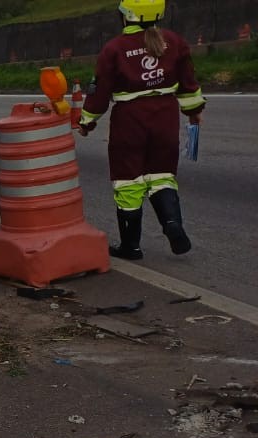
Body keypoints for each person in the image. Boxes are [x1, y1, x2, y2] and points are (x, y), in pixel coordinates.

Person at [78, 0, 205, 260]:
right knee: (161, 176)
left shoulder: (114, 49)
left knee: (128, 181)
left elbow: (99, 93)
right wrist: (193, 113)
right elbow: (189, 84)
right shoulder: (174, 41)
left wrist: (87, 122)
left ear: (126, 16)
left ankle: (130, 247)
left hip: (130, 120)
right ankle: (172, 224)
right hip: (166, 117)